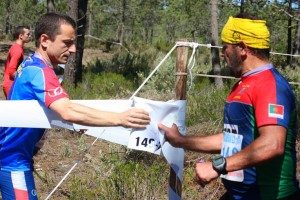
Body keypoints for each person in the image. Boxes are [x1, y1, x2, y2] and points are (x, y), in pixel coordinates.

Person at [0, 13, 150, 200]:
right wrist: (120, 118)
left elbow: (44, 107)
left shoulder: (31, 62)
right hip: (12, 161)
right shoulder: (40, 72)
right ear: (45, 40)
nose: (73, 50)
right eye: (67, 42)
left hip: (13, 156)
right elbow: (67, 110)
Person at [159, 13, 300, 200]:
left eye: (225, 47)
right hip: (240, 195)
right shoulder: (243, 84)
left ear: (242, 48)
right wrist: (180, 141)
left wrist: (217, 166)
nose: (222, 53)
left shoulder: (269, 85)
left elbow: (272, 144)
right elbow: (234, 139)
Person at [2, 26, 31, 99]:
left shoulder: (16, 47)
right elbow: (11, 70)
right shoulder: (17, 50)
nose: (29, 36)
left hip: (10, 84)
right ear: (21, 36)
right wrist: (23, 80)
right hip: (11, 85)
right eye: (27, 34)